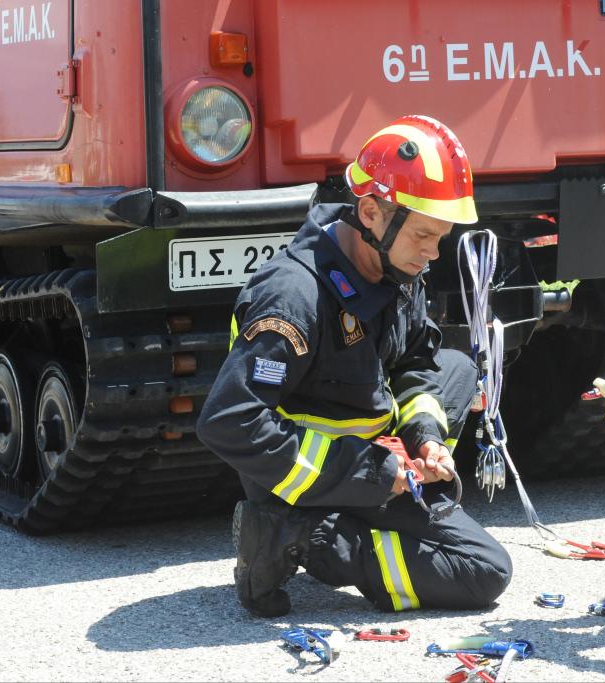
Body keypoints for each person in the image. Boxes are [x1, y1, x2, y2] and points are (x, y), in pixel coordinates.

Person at [197, 115, 512, 618]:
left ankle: (366, 510)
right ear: (370, 212)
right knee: (482, 575)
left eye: (442, 237)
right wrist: (373, 473)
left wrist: (425, 439)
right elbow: (230, 423)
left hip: (368, 459)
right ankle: (297, 535)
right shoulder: (293, 297)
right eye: (424, 236)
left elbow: (415, 362)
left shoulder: (395, 268)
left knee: (455, 369)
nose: (433, 254)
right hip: (294, 477)